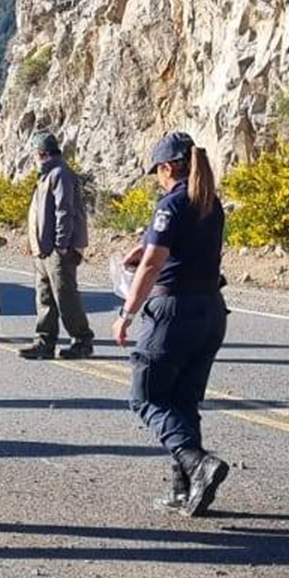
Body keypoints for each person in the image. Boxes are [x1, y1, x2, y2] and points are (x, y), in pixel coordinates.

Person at [113, 132, 229, 517]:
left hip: (173, 312)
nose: (158, 180)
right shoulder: (210, 203)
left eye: (157, 173)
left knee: (146, 397)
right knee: (182, 401)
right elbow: (169, 248)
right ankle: (185, 489)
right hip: (210, 310)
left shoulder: (172, 204)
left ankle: (198, 463)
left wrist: (128, 313)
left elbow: (151, 264)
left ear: (167, 168)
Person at [17, 132, 94, 360]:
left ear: (41, 153)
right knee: (45, 296)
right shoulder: (47, 174)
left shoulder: (60, 174)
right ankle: (44, 341)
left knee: (65, 295)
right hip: (44, 250)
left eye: (34, 154)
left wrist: (61, 245)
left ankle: (82, 340)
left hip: (58, 250)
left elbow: (64, 211)